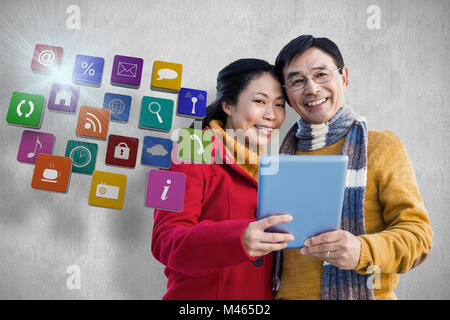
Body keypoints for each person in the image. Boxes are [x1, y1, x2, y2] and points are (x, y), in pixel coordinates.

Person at [272, 35, 433, 300]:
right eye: (297, 81)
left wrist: (362, 250)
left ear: (343, 77)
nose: (312, 88)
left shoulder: (381, 146)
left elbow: (418, 238)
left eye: (321, 74)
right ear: (288, 96)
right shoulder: (278, 157)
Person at [151, 58, 294, 300]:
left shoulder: (274, 166)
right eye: (259, 101)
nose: (271, 115)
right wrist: (236, 238)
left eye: (279, 105)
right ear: (228, 105)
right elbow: (163, 240)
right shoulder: (187, 148)